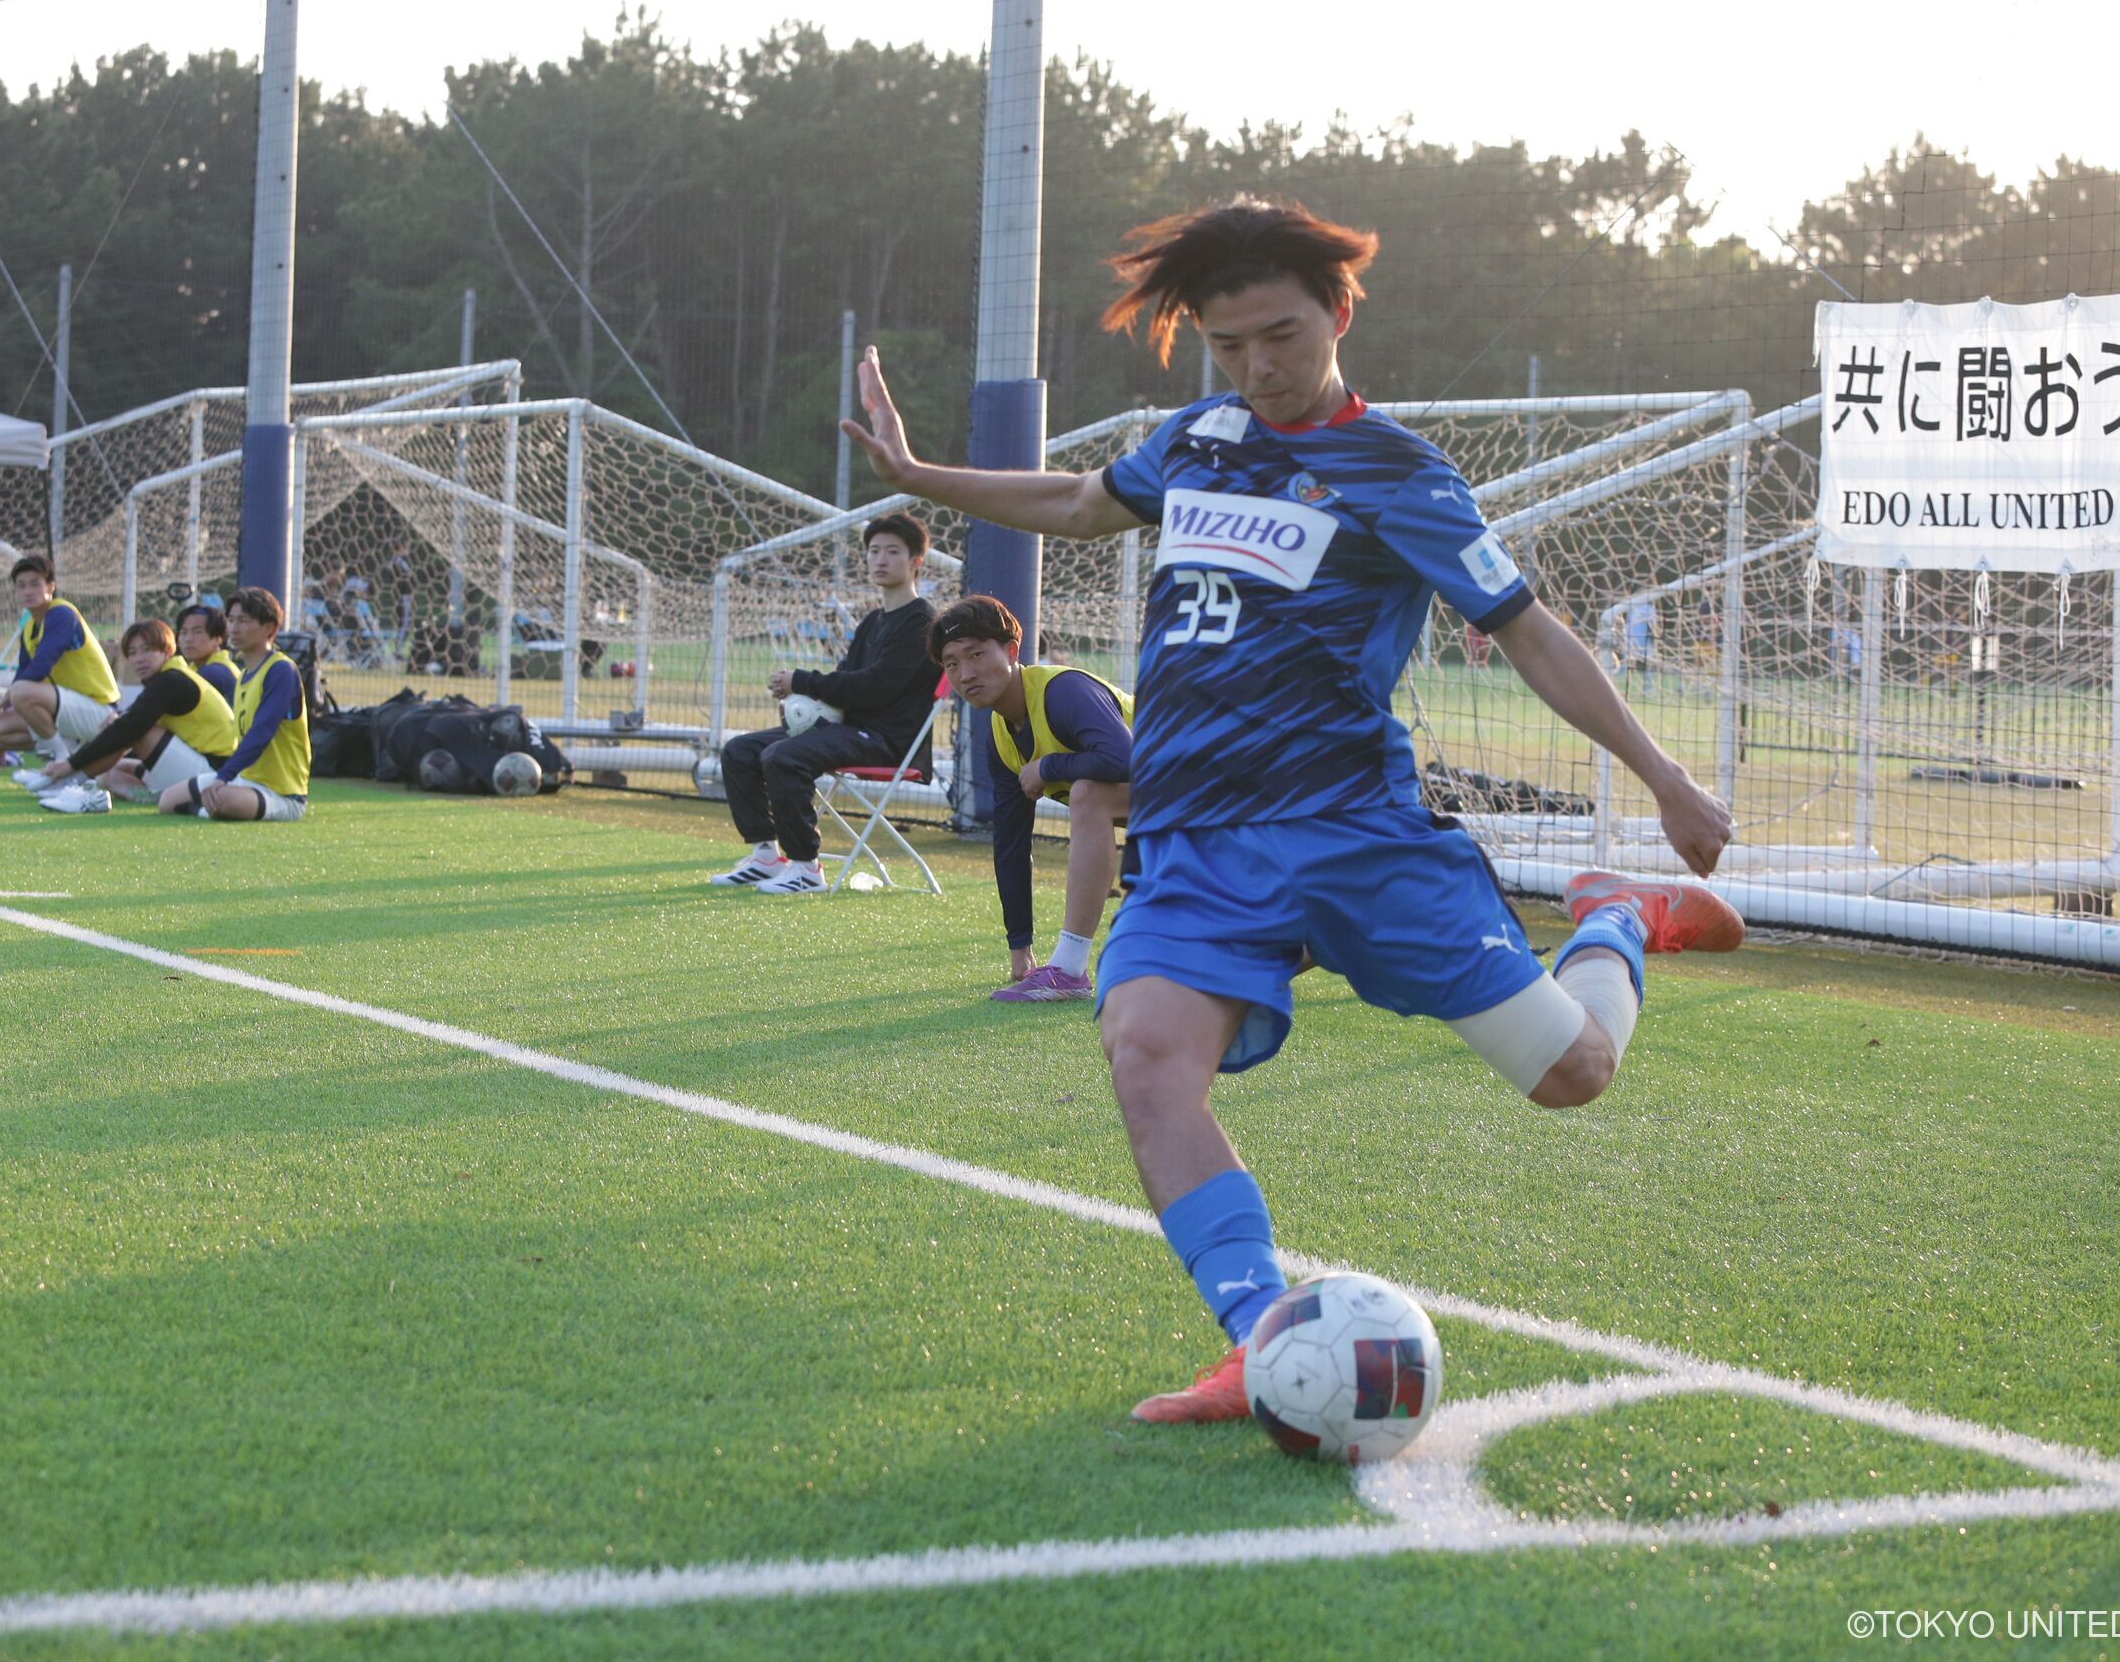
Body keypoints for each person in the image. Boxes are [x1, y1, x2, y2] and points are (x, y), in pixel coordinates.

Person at [841, 195, 1742, 1424]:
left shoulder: (1399, 473)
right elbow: (1079, 503)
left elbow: (1528, 631)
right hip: (1200, 842)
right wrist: (915, 476)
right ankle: (1260, 1337)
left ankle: (1616, 918)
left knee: (1573, 1073)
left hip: (1352, 835)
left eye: (1281, 335)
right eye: (1229, 344)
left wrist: (1664, 778)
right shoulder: (1198, 437)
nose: (1258, 367)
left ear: (1337, 314)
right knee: (1145, 1052)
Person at [708, 517, 938, 896]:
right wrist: (803, 703)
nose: (880, 559)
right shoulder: (873, 621)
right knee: (739, 751)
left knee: (783, 757)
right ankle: (766, 857)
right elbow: (847, 678)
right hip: (848, 729)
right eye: (874, 551)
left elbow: (875, 687)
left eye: (892, 551)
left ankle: (805, 869)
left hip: (887, 741)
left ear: (916, 561)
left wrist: (801, 681)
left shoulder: (922, 622)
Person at [929, 595, 1135, 1002]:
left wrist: (1048, 767)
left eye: (976, 654)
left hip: (1215, 783)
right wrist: (1019, 947)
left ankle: (1069, 970)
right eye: (951, 663)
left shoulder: (1063, 691)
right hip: (1172, 806)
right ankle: (1063, 969)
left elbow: (1124, 759)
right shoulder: (1001, 735)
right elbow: (1011, 842)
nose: (965, 674)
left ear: (1011, 651)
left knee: (1088, 793)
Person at [19, 618, 238, 813]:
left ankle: (68, 782)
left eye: (146, 650)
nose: (139, 659)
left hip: (214, 774)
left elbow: (130, 729)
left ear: (168, 651)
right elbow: (128, 721)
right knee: (111, 774)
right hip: (202, 766)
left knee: (135, 731)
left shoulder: (172, 680)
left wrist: (71, 763)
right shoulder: (167, 677)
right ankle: (160, 798)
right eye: (132, 653)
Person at [157, 586, 309, 822]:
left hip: (281, 794)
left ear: (269, 628)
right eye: (231, 620)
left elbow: (262, 731)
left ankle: (210, 808)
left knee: (224, 800)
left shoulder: (281, 670)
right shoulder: (244, 676)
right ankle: (207, 809)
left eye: (244, 621)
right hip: (242, 779)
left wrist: (223, 777)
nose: (234, 628)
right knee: (168, 801)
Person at [0, 555, 120, 763]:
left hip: (100, 713)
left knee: (20, 691)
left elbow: (39, 668)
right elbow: (23, 673)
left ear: (51, 587)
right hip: (65, 710)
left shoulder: (61, 613)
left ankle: (62, 758)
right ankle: (71, 747)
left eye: (35, 584)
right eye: (21, 586)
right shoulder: (29, 628)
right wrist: (2, 741)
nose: (28, 591)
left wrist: (12, 696)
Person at [177, 603, 239, 703]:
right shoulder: (196, 668)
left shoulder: (213, 672)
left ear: (218, 639)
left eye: (197, 632)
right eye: (184, 632)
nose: (188, 639)